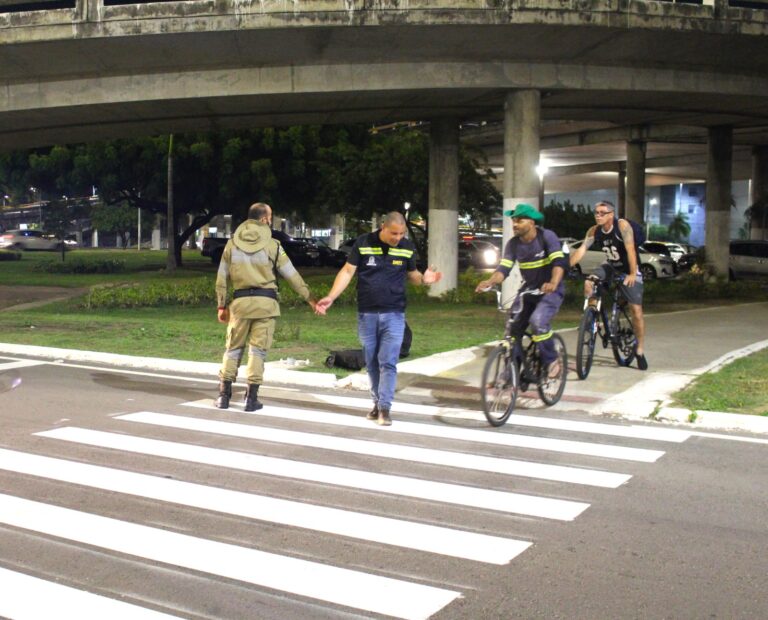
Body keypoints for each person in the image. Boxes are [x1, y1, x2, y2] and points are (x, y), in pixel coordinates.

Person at [314, 211, 441, 426]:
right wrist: (331, 297)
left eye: (401, 234)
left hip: (395, 314)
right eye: (394, 233)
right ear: (383, 227)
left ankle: (385, 408)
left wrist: (425, 279)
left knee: (388, 362)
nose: (398, 238)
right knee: (372, 362)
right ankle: (376, 403)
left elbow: (413, 276)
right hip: (367, 314)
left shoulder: (406, 247)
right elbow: (347, 271)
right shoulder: (364, 243)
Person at [214, 202, 316, 411]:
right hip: (266, 306)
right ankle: (251, 399)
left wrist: (221, 305)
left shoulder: (231, 245)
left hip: (240, 306)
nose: (270, 221)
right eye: (270, 218)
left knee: (233, 350)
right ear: (263, 219)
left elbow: (221, 278)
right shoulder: (273, 245)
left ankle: (224, 396)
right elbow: (292, 275)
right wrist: (311, 299)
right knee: (257, 352)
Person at [475, 203, 568, 378]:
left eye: (520, 220)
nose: (515, 224)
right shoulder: (513, 244)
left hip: (551, 290)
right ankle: (512, 372)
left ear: (532, 222)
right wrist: (490, 281)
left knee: (538, 322)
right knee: (512, 329)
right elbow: (503, 269)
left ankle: (552, 360)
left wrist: (553, 282)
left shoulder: (546, 237)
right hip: (529, 291)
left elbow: (559, 262)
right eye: (514, 220)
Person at [568, 200, 648, 370]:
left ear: (611, 214)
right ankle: (590, 318)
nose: (598, 215)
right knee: (589, 282)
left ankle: (640, 349)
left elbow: (631, 250)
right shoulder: (594, 230)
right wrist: (564, 268)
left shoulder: (622, 226)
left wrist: (632, 274)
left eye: (602, 213)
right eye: (596, 212)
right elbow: (581, 250)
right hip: (611, 266)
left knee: (636, 310)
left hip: (629, 268)